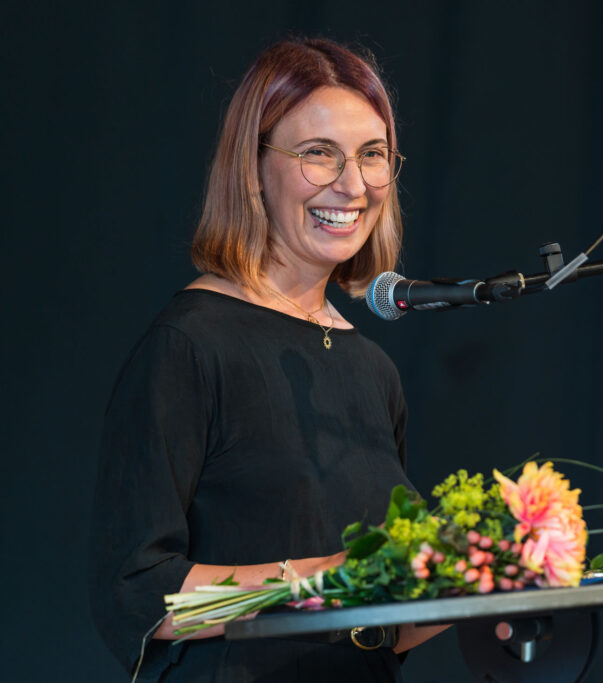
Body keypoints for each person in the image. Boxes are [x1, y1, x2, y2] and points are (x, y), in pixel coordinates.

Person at [89, 38, 441, 682]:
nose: (353, 184)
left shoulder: (374, 371)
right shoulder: (190, 344)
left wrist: (487, 584)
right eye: (318, 154)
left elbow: (383, 628)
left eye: (373, 155)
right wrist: (321, 579)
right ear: (252, 168)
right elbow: (143, 592)